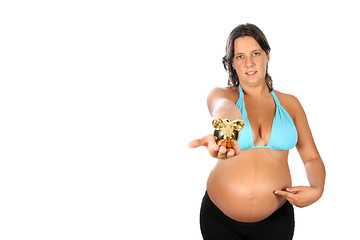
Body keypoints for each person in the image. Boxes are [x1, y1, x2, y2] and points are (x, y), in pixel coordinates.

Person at [188, 23, 326, 240]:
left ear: (267, 55)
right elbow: (224, 110)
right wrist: (226, 134)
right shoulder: (223, 95)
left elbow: (311, 157)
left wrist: (317, 189)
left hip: (276, 220)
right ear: (232, 62)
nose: (249, 63)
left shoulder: (291, 105)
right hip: (219, 219)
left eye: (255, 53)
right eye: (240, 56)